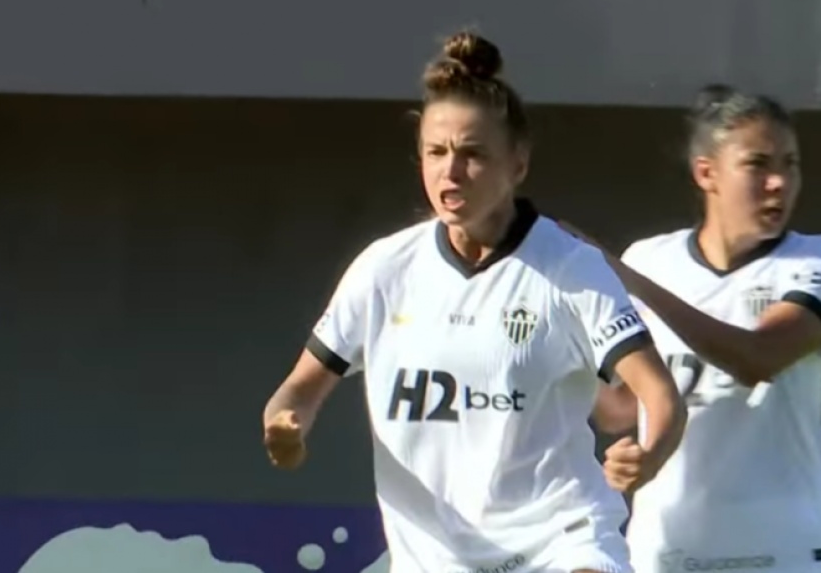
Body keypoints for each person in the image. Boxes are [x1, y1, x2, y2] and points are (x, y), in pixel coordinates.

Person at [261, 31, 686, 573]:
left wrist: (647, 456)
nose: (451, 171)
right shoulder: (384, 269)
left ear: (518, 163)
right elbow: (298, 391)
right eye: (436, 153)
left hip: (562, 546)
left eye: (473, 154)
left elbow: (661, 398)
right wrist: (286, 426)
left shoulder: (571, 268)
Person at [587, 85, 821, 573]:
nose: (779, 182)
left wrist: (628, 280)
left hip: (787, 556)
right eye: (758, 164)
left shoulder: (819, 260)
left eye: (790, 164)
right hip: (666, 553)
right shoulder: (649, 259)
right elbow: (620, 408)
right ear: (706, 172)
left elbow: (758, 358)